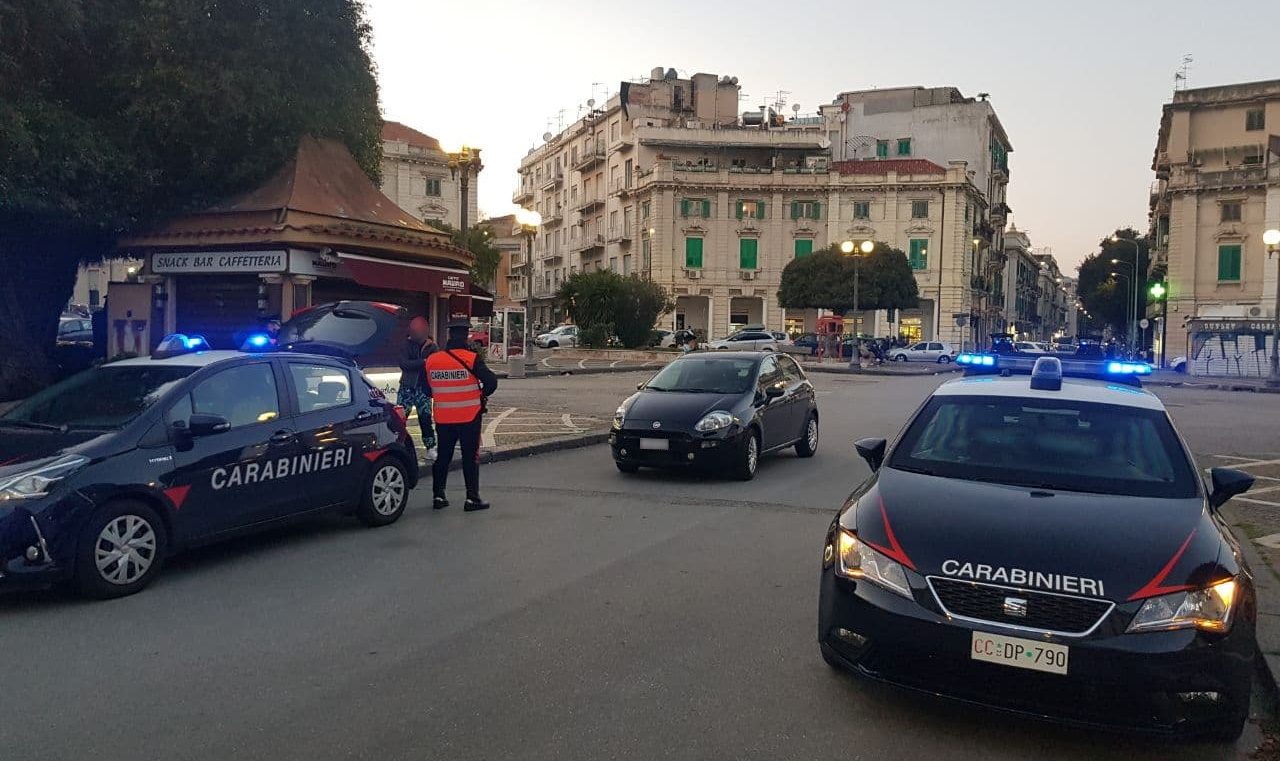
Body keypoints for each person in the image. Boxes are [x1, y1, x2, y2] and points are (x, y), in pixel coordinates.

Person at [426, 318, 499, 511]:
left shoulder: (433, 360)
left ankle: (439, 496)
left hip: (443, 418)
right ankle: (472, 498)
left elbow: (426, 390)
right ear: (466, 335)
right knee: (469, 457)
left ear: (450, 335)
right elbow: (491, 382)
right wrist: (480, 394)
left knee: (443, 457)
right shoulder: (471, 359)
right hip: (469, 417)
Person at [398, 316, 438, 456]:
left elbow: (434, 365)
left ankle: (430, 447)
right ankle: (398, 445)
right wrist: (424, 362)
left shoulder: (432, 346)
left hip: (423, 387)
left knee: (425, 419)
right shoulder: (405, 344)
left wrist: (418, 363)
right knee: (400, 419)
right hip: (407, 387)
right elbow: (404, 364)